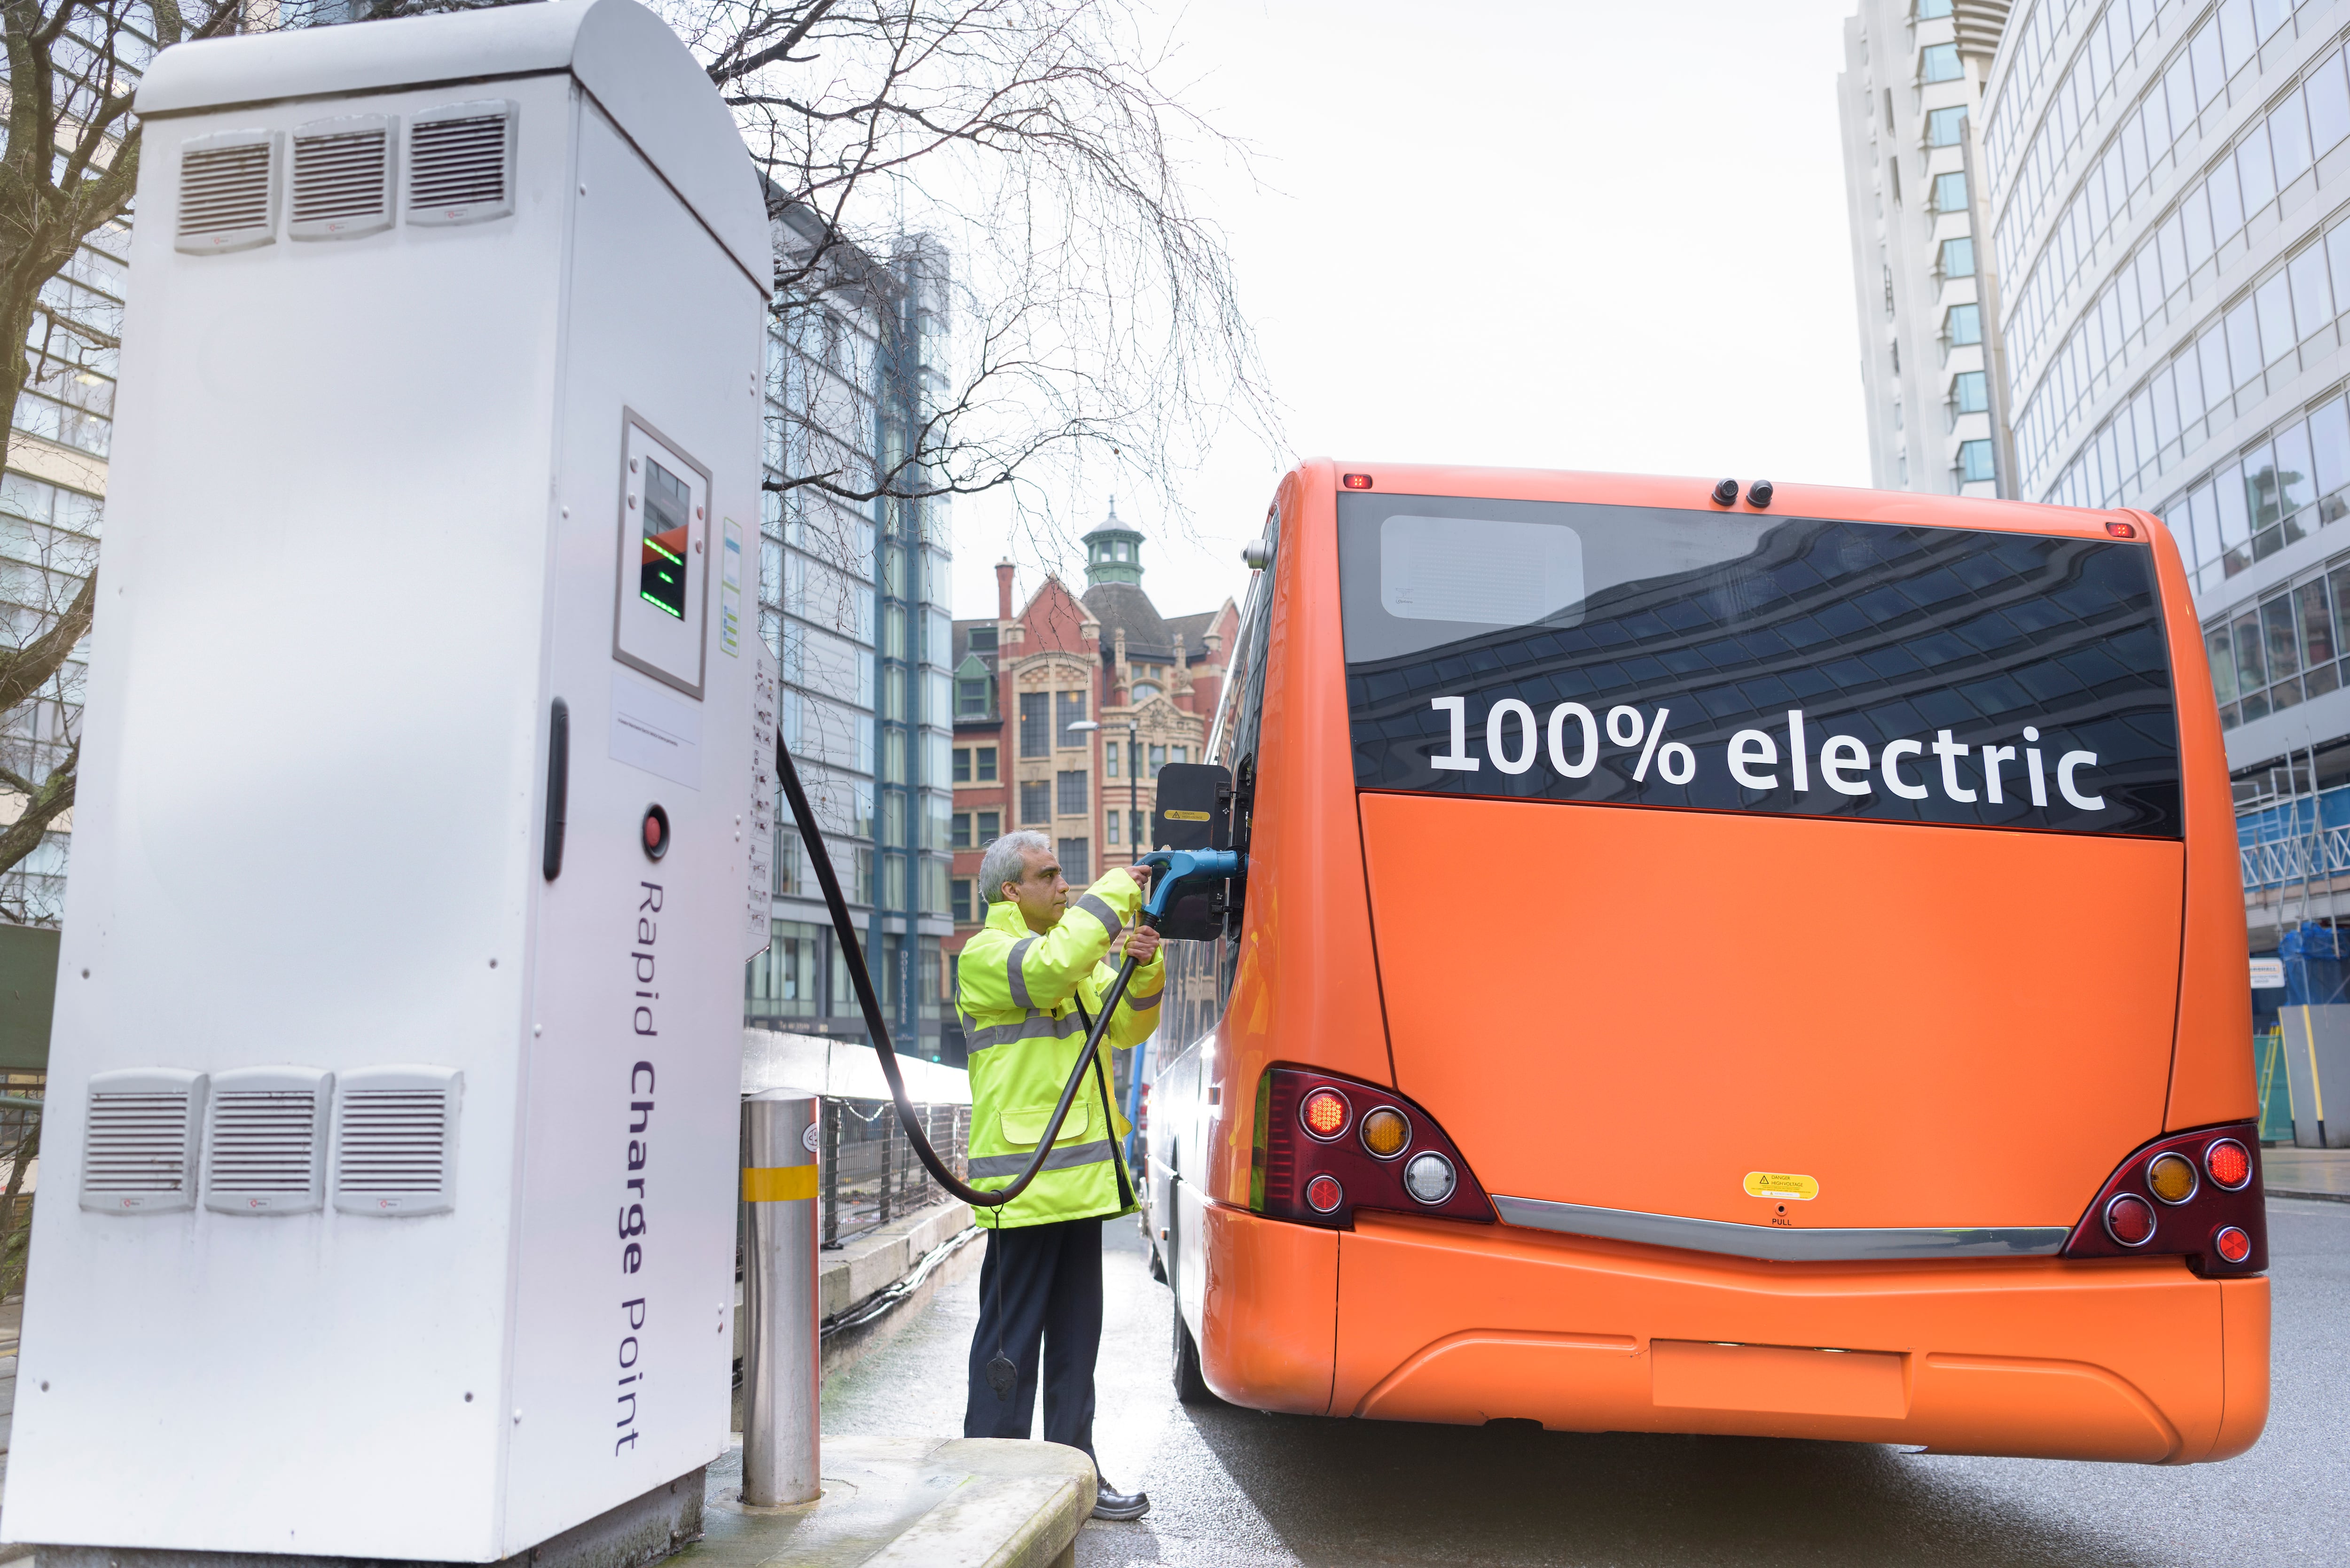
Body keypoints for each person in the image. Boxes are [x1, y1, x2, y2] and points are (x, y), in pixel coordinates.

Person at [956, 831, 1164, 1522]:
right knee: (1010, 1345)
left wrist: (1143, 969)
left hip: (1075, 1186)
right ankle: (992, 1483)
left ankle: (1078, 1475)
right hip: (1022, 1189)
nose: (1063, 885)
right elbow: (1047, 972)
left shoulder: (1071, 958)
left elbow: (1127, 1027)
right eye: (1048, 876)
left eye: (1063, 875)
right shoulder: (989, 955)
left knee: (1077, 1344)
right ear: (1010, 890)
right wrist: (1118, 890)